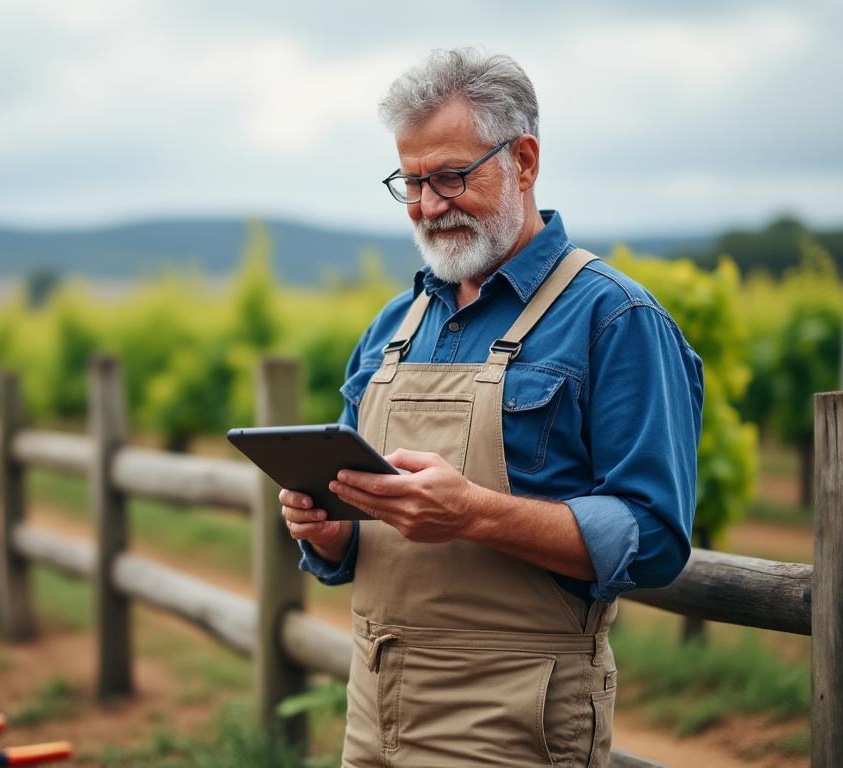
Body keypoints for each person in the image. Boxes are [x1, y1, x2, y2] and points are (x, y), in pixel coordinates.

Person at [280, 48, 704, 767]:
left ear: (526, 161)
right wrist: (328, 533)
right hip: (372, 704)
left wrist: (474, 513)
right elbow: (371, 531)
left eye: (449, 177)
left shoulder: (615, 318)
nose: (427, 206)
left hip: (514, 717)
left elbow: (656, 534)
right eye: (410, 182)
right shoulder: (394, 326)